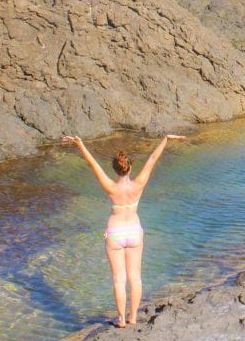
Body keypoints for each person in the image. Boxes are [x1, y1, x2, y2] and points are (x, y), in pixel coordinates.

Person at [61, 133, 186, 328]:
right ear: (130, 167)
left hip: (115, 232)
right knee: (135, 278)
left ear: (115, 169)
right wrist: (166, 140)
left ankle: (120, 319)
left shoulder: (111, 187)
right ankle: (133, 316)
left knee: (119, 281)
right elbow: (153, 159)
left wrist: (80, 144)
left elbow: (93, 164)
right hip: (134, 231)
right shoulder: (138, 184)